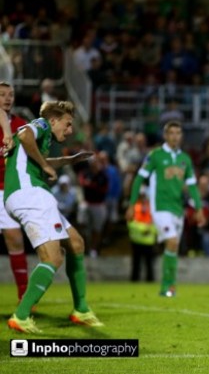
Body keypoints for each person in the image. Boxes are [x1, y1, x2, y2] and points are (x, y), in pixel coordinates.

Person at [6, 101, 104, 333]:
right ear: (53, 121)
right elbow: (24, 134)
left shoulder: (43, 140)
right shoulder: (40, 125)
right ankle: (21, 316)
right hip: (30, 193)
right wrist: (44, 166)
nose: (70, 131)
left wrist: (67, 161)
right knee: (53, 257)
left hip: (28, 193)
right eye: (67, 124)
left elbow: (35, 157)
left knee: (76, 244)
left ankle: (80, 309)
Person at [126, 120, 206, 297]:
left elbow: (192, 185)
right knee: (172, 241)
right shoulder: (155, 156)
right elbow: (139, 179)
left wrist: (199, 209)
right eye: (172, 133)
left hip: (178, 209)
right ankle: (166, 287)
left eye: (178, 133)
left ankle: (171, 285)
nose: (175, 136)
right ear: (165, 135)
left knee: (173, 247)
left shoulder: (185, 159)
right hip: (160, 207)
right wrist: (132, 205)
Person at [0, 82, 29, 301]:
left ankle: (24, 295)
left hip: (6, 189)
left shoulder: (21, 125)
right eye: (2, 95)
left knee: (15, 239)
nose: (7, 98)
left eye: (10, 95)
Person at [128, 187, 156, 282]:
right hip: (137, 239)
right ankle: (135, 279)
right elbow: (130, 223)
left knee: (149, 263)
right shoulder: (134, 207)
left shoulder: (151, 208)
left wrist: (149, 229)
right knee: (136, 263)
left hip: (149, 240)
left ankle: (150, 280)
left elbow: (156, 222)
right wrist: (145, 228)